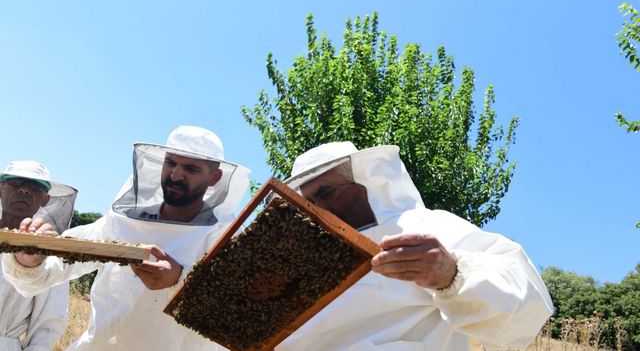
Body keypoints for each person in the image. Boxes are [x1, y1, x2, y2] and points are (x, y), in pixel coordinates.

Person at [279, 142, 553, 351]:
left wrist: (452, 274)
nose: (319, 209)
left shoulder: (426, 227)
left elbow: (526, 309)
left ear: (365, 183)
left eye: (326, 192)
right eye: (310, 203)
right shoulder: (305, 266)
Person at [2, 126, 250, 350]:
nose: (175, 175)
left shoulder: (223, 236)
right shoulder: (125, 220)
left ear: (214, 178)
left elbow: (237, 313)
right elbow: (62, 264)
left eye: (191, 168)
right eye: (171, 163)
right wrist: (30, 261)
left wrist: (180, 280)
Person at [0, 160, 77, 351]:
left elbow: (48, 324)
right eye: (16, 182)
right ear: (1, 188)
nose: (25, 190)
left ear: (45, 199)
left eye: (35, 186)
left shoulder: (50, 253)